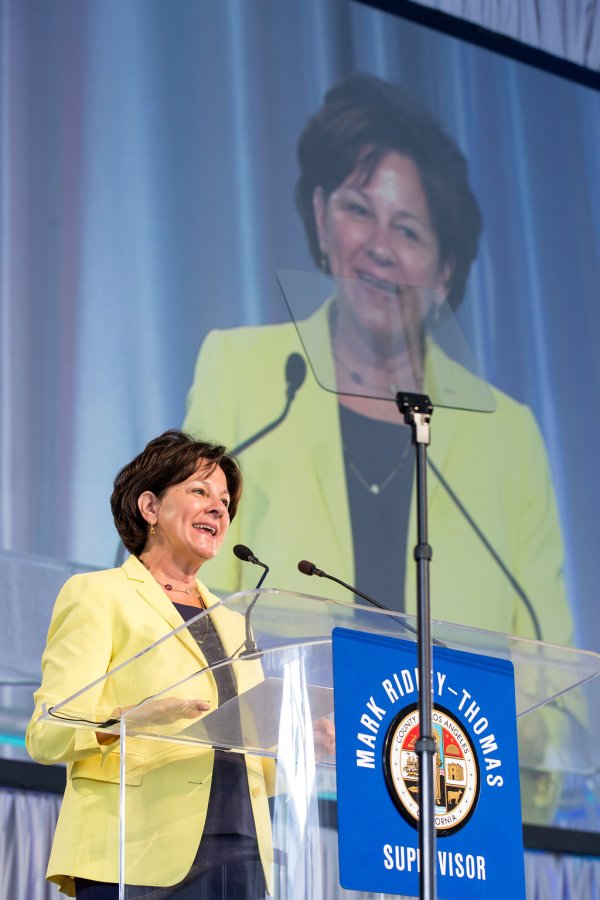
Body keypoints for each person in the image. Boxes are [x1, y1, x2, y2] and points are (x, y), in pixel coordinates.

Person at [183, 74, 572, 653]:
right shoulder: (242, 374)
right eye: (359, 210)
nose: (380, 246)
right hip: (279, 713)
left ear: (445, 268)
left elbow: (552, 666)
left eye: (408, 230)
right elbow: (181, 588)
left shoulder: (507, 435)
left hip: (447, 718)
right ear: (321, 215)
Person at [26, 430, 274, 899]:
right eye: (200, 491)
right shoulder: (99, 595)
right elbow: (46, 733)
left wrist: (298, 737)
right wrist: (127, 719)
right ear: (150, 507)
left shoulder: (236, 622)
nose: (218, 509)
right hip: (134, 848)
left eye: (224, 501)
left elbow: (254, 746)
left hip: (239, 851)